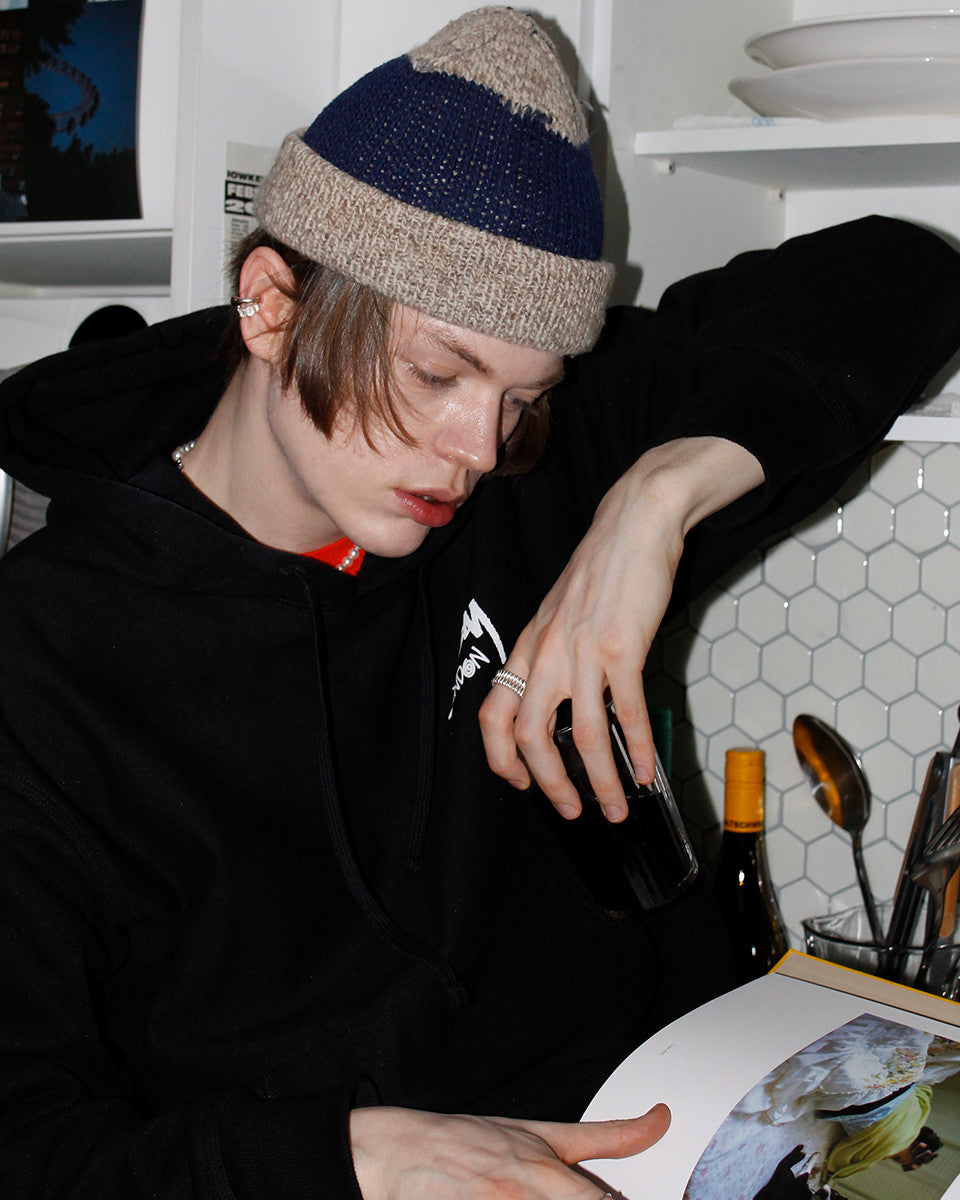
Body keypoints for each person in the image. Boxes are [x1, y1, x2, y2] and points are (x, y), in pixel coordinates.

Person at [1, 7, 960, 1198]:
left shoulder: (543, 468)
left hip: (692, 1137)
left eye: (527, 395)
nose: (477, 448)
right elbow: (29, 1146)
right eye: (437, 372)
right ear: (272, 305)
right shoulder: (45, 660)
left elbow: (903, 273)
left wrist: (654, 500)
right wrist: (355, 1156)